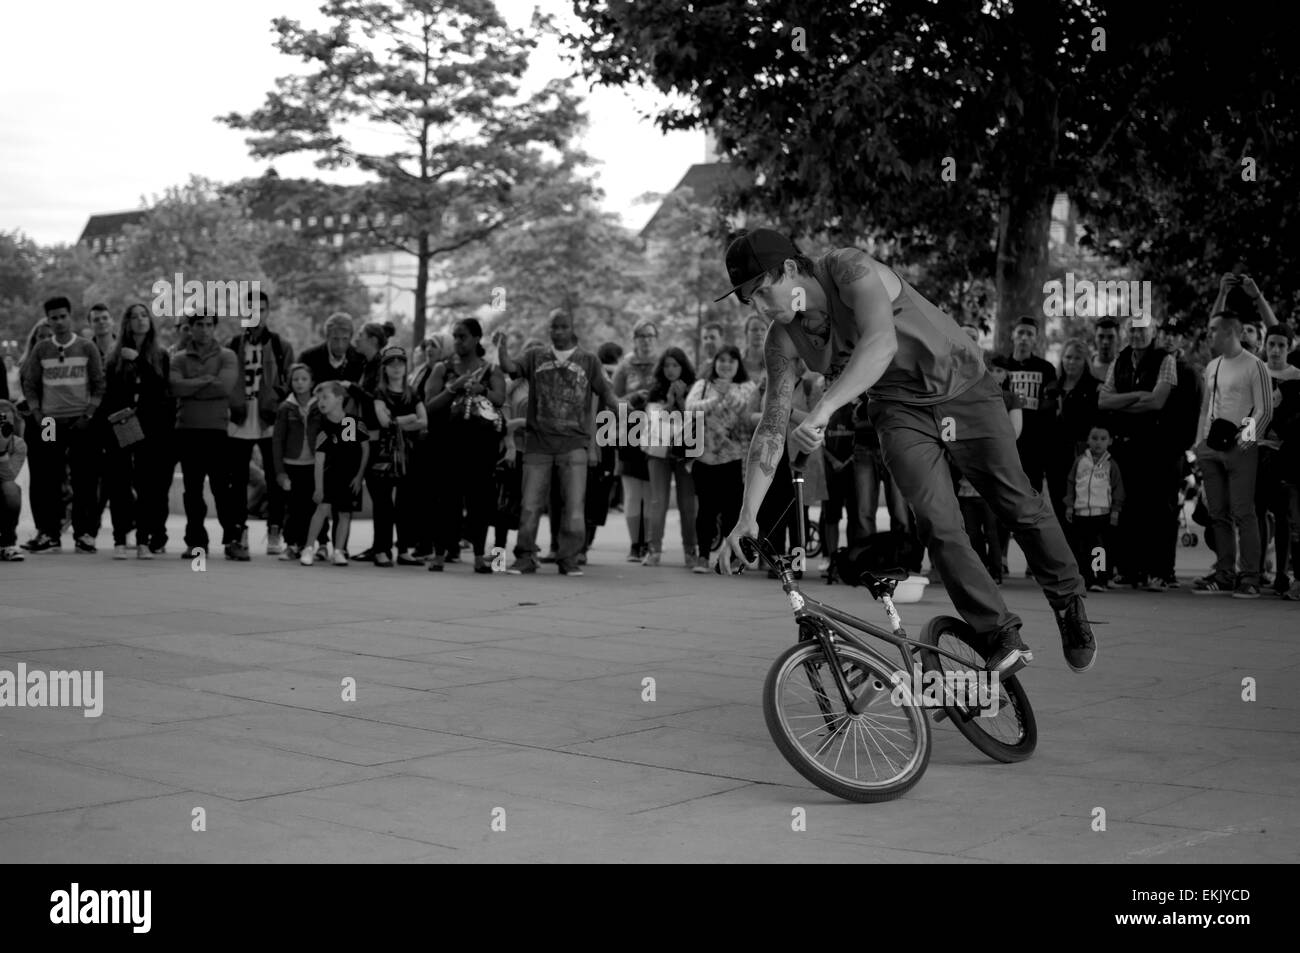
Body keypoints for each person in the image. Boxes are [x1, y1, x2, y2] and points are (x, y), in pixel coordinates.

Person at [713, 229, 1094, 675]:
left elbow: (881, 341)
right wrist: (746, 517)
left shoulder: (848, 268)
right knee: (937, 522)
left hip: (963, 387)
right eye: (749, 301)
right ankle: (999, 633)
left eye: (762, 292)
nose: (759, 310)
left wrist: (823, 409)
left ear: (792, 270)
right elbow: (772, 425)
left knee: (1016, 503)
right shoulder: (783, 340)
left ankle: (1068, 601)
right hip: (897, 411)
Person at [495, 309, 615, 576]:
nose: (557, 331)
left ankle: (568, 558)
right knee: (530, 504)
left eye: (562, 327)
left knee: (573, 507)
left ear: (572, 329)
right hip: (538, 443)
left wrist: (628, 416)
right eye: (553, 327)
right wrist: (501, 349)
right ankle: (525, 557)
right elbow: (510, 368)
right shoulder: (535, 356)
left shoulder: (589, 360)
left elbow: (606, 392)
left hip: (574, 445)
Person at [1192, 312, 1273, 597]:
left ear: (1229, 332)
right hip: (1210, 448)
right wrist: (1199, 443)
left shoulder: (1255, 365)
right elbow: (1205, 407)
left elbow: (1265, 409)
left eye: (1214, 329)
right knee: (1218, 514)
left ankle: (1251, 576)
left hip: (1240, 447)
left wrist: (1245, 440)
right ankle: (1225, 573)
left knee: (1243, 512)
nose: (1209, 334)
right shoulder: (1213, 365)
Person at [1097, 316, 1178, 590]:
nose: (1137, 333)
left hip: (1156, 446)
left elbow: (1157, 401)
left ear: (1153, 331)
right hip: (1124, 446)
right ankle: (1131, 571)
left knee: (1157, 510)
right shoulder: (1120, 360)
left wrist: (1121, 402)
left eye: (1142, 328)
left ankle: (1160, 572)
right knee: (1127, 508)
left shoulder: (1165, 359)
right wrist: (1137, 396)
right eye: (1132, 328)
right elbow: (1103, 400)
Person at [20, 296, 106, 554]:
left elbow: (99, 383)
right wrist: (37, 412)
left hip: (81, 420)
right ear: (48, 320)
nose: (58, 322)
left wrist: (89, 413)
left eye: (62, 316)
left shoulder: (86, 347)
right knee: (48, 477)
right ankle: (49, 532)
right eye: (53, 318)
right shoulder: (41, 349)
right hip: (48, 422)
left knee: (85, 479)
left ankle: (85, 533)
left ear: (70, 317)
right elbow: (31, 384)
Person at [427, 319, 505, 572]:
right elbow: (429, 406)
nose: (458, 341)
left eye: (462, 336)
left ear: (476, 338)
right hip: (448, 444)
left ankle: (480, 556)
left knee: (478, 502)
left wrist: (481, 389)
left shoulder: (490, 370)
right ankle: (439, 554)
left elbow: (499, 399)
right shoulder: (443, 368)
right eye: (455, 336)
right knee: (445, 502)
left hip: (480, 446)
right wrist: (453, 388)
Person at [101, 303, 172, 559]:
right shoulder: (114, 355)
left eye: (144, 316)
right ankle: (120, 539)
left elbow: (162, 389)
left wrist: (139, 361)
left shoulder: (160, 355)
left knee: (147, 485)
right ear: (126, 323)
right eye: (134, 317)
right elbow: (109, 394)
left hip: (151, 427)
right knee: (119, 483)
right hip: (121, 424)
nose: (140, 321)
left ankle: (144, 540)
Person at [226, 291, 294, 557]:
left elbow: (290, 381)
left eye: (262, 309)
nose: (257, 314)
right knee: (238, 479)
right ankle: (239, 529)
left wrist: (274, 403)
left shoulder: (279, 345)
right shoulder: (233, 344)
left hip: (268, 420)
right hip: (240, 420)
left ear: (267, 312)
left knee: (275, 478)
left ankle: (275, 529)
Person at [170, 310, 242, 560]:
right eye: (199, 324)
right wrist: (206, 381)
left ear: (215, 328)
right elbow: (174, 387)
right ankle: (196, 543)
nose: (204, 329)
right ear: (190, 328)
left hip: (216, 431)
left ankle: (232, 540)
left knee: (223, 489)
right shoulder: (178, 358)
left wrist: (192, 387)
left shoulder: (227, 356)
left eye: (209, 324)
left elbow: (224, 387)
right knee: (192, 491)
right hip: (187, 431)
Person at [686, 344, 758, 572]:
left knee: (731, 512)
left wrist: (729, 395)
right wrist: (717, 398)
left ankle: (730, 558)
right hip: (705, 458)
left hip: (734, 459)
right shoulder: (703, 385)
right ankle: (703, 555)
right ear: (715, 363)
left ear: (738, 365)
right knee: (705, 511)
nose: (725, 365)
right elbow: (691, 407)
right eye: (721, 360)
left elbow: (748, 415)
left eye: (731, 360)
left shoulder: (747, 387)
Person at [368, 345, 427, 567]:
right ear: (384, 368)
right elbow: (384, 423)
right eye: (391, 364)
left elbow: (424, 421)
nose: (396, 368)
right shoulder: (379, 393)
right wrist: (408, 418)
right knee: (383, 504)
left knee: (406, 504)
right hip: (384, 454)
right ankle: (381, 550)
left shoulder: (412, 392)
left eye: (400, 363)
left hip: (408, 454)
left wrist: (397, 422)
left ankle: (403, 549)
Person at [641, 346, 698, 567]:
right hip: (658, 451)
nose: (671, 370)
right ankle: (653, 549)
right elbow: (655, 421)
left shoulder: (695, 388)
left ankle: (690, 551)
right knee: (658, 501)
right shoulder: (655, 390)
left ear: (683, 367)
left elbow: (695, 419)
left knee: (687, 503)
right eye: (667, 365)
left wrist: (682, 399)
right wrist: (669, 401)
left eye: (675, 365)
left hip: (686, 452)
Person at [301, 381, 369, 566]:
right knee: (322, 509)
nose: (320, 402)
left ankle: (339, 550)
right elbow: (319, 460)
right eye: (318, 399)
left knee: (345, 513)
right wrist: (319, 487)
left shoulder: (354, 423)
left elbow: (365, 450)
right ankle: (308, 548)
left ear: (339, 399)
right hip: (329, 476)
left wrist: (359, 476)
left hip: (350, 478)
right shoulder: (322, 426)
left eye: (325, 398)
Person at [1257, 325, 1300, 593]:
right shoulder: (1256, 371)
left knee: (1285, 516)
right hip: (1258, 450)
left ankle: (1283, 573)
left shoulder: (1297, 377)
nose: (1275, 350)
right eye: (1271, 344)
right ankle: (1258, 569)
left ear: (1289, 347)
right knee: (1257, 512)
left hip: (1286, 453)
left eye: (1281, 345)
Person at [612, 320, 660, 561]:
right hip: (629, 432)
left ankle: (649, 544)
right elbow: (612, 401)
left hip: (656, 433)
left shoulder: (663, 363)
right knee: (632, 493)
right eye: (641, 336)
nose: (646, 340)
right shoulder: (624, 366)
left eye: (650, 336)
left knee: (651, 492)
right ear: (634, 339)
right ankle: (634, 545)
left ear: (656, 338)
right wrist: (632, 397)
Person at [1043, 339, 1099, 528]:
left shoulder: (1095, 388)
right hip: (1054, 460)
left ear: (1085, 361)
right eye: (1068, 357)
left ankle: (1081, 557)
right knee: (1060, 513)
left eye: (1077, 358)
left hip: (1082, 459)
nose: (1071, 362)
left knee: (1081, 515)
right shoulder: (1051, 387)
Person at [1064, 423, 1125, 592]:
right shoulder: (1080, 461)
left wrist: (1115, 510)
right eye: (1094, 438)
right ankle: (1085, 578)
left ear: (1110, 441)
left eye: (1103, 439)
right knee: (1081, 547)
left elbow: (1117, 488)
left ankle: (1100, 578)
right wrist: (1070, 506)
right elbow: (1071, 483)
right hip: (1081, 512)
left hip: (1102, 512)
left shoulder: (1110, 464)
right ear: (1088, 440)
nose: (1098, 442)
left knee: (1098, 547)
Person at [271, 363, 316, 563]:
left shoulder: (319, 405)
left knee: (311, 506)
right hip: (292, 464)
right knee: (293, 507)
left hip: (313, 464)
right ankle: (291, 544)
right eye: (296, 379)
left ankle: (311, 544)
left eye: (304, 379)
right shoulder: (285, 407)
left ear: (311, 382)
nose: (300, 383)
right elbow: (277, 441)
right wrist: (280, 472)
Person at [0, 399, 27, 562]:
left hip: (2, 483)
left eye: (7, 423)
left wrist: (2, 451)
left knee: (12, 489)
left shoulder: (18, 444)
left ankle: (7, 543)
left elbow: (9, 476)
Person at [1091, 317, 1120, 384]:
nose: (1105, 342)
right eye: (1101, 336)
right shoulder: (1085, 367)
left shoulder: (1127, 368)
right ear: (1095, 338)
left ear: (1118, 338)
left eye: (1110, 337)